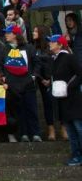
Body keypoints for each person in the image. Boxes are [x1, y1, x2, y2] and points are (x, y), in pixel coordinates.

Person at [2, 26, 41, 142]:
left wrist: (33, 76)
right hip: (13, 85)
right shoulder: (4, 49)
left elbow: (37, 63)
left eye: (8, 33)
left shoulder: (29, 48)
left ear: (15, 35)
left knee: (32, 109)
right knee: (19, 110)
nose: (6, 35)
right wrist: (4, 76)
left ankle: (36, 133)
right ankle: (23, 133)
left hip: (28, 84)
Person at [49, 34, 82, 166]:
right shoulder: (55, 59)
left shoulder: (68, 57)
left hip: (73, 99)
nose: (50, 44)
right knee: (70, 129)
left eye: (52, 42)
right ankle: (76, 155)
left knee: (79, 128)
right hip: (62, 100)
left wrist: (69, 87)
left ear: (60, 44)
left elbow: (80, 74)